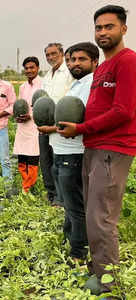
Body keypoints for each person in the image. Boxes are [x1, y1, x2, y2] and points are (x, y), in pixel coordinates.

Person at [58, 5, 136, 295]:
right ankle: (98, 266)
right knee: (92, 214)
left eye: (109, 26)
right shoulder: (102, 67)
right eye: (99, 27)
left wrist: (80, 129)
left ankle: (110, 281)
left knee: (101, 217)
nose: (103, 32)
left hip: (112, 149)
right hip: (94, 148)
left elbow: (123, 111)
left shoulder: (127, 62)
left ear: (123, 29)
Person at [51, 42, 99, 261]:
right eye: (71, 59)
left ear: (94, 62)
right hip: (61, 151)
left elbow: (83, 121)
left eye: (81, 59)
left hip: (74, 153)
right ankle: (70, 238)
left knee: (76, 206)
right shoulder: (77, 84)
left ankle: (78, 253)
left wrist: (52, 128)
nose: (74, 63)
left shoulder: (92, 86)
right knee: (69, 204)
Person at [38, 43, 74, 206]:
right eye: (47, 55)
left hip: (61, 126)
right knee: (45, 162)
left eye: (54, 54)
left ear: (61, 53)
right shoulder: (47, 76)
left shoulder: (68, 73)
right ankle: (51, 193)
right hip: (45, 126)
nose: (50, 57)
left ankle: (61, 197)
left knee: (58, 162)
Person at [13, 56, 42, 193]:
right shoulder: (22, 87)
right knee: (22, 156)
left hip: (35, 126)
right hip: (22, 127)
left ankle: (29, 186)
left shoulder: (43, 84)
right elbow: (20, 105)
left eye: (32, 67)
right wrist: (17, 115)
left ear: (37, 68)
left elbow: (44, 106)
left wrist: (30, 115)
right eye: (27, 68)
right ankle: (25, 184)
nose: (29, 70)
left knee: (33, 157)